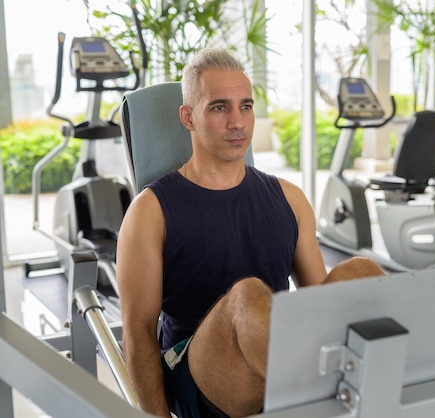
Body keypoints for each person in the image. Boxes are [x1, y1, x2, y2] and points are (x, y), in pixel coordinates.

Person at [116, 47, 386, 418]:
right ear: (188, 117)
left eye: (246, 106)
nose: (238, 122)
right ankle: (323, 392)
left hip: (275, 353)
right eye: (219, 107)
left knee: (362, 272)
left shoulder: (289, 197)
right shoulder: (150, 211)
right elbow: (138, 332)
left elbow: (321, 302)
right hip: (197, 374)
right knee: (247, 295)